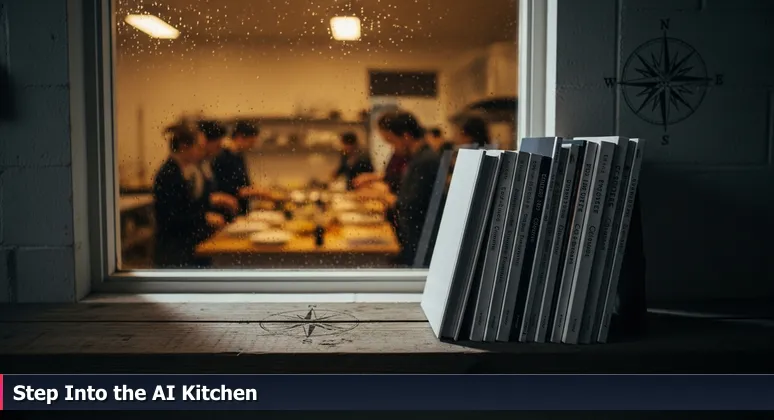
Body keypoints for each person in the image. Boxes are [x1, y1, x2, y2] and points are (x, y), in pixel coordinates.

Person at [360, 111, 441, 266]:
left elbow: (409, 204)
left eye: (392, 141)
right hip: (415, 235)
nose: (393, 148)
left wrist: (380, 195)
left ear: (406, 136)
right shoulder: (418, 157)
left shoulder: (425, 161)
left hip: (421, 239)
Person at [152, 126, 227, 268]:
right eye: (199, 147)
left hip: (188, 244)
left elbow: (192, 205)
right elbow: (171, 218)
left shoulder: (187, 170)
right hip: (174, 252)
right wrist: (205, 217)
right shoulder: (169, 174)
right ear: (183, 147)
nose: (203, 152)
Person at [212, 120, 269, 216]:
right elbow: (229, 189)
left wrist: (254, 189)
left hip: (239, 208)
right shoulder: (223, 156)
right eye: (251, 142)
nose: (252, 146)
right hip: (227, 211)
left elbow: (243, 182)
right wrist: (258, 192)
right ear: (239, 137)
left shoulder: (238, 155)